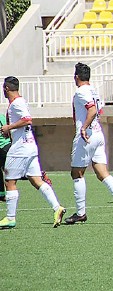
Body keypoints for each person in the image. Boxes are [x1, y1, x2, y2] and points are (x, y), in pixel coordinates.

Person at [65, 63, 113, 225]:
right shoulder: (94, 91)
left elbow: (92, 110)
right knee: (102, 172)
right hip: (98, 134)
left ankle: (81, 213)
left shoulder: (81, 91)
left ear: (77, 77)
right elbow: (99, 110)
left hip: (86, 136)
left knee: (77, 173)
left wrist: (84, 128)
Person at [0, 76, 65, 229]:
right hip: (30, 146)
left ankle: (10, 218)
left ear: (7, 88)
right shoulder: (20, 102)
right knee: (36, 180)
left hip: (20, 148)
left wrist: (9, 127)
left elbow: (27, 119)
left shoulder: (16, 103)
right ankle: (57, 208)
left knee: (9, 181)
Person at [0, 112, 9, 202]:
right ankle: (1, 194)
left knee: (11, 173)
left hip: (2, 147)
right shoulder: (2, 116)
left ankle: (38, 175)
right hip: (7, 145)